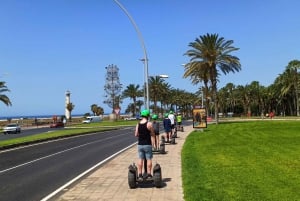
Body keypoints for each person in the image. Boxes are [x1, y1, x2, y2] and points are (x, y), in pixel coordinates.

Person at [134, 109, 155, 181]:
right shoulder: (149, 124)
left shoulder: (138, 124)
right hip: (147, 144)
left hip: (140, 144)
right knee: (149, 159)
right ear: (148, 116)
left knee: (140, 159)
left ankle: (140, 175)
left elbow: (136, 134)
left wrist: (141, 134)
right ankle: (149, 174)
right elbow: (152, 134)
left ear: (142, 116)